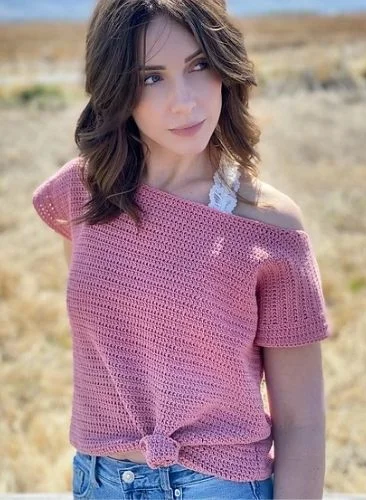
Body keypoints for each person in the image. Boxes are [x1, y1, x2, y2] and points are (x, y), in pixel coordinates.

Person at [30, 1, 329, 498]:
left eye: (199, 66)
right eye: (152, 78)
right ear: (117, 88)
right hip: (98, 479)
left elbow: (301, 420)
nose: (185, 102)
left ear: (225, 67)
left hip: (219, 486)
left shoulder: (268, 225)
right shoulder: (82, 193)